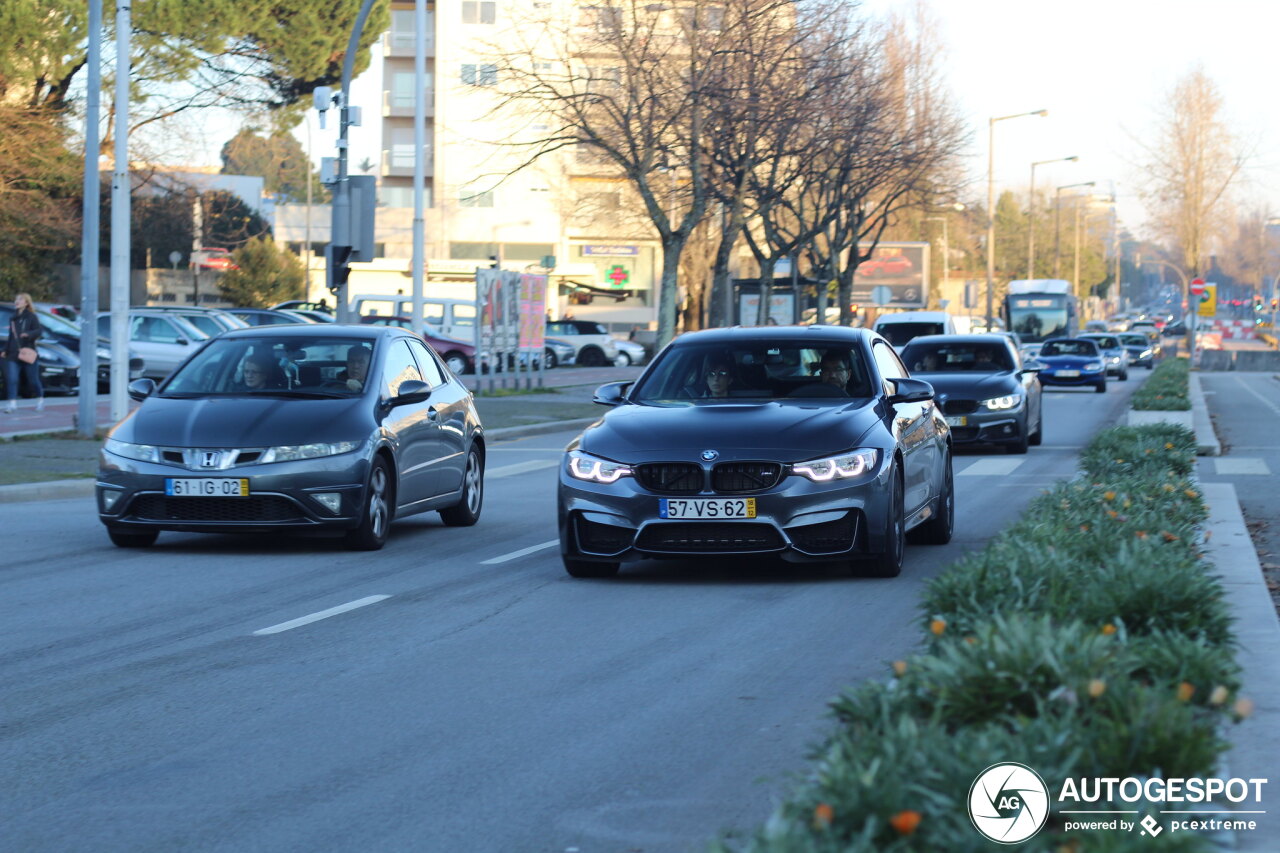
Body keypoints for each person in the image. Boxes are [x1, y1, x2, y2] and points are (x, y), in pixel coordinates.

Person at [3, 292, 44, 413]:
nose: (17, 301)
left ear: (26, 303)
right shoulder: (13, 317)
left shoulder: (31, 316)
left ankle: (40, 400)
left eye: (20, 300)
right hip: (13, 353)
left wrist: (29, 334)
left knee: (33, 379)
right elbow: (11, 336)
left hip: (28, 352)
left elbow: (39, 331)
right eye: (16, 299)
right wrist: (5, 350)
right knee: (12, 379)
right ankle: (12, 404)